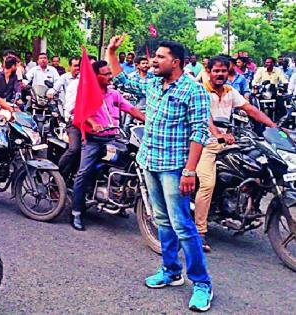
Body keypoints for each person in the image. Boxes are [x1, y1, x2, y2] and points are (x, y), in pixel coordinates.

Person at [108, 35, 213, 312]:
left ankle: (202, 283)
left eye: (161, 57)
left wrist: (190, 170)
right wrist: (111, 52)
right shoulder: (154, 83)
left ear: (175, 62)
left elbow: (200, 132)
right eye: (154, 56)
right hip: (150, 161)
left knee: (182, 225)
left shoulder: (193, 90)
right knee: (162, 220)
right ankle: (171, 271)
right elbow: (123, 80)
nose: (154, 60)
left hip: (175, 167)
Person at [194, 56, 276, 252]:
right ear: (209, 71)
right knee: (207, 184)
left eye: (223, 71)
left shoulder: (231, 92)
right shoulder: (201, 91)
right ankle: (199, 233)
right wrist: (218, 134)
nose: (220, 74)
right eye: (216, 71)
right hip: (204, 143)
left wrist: (276, 128)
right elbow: (205, 118)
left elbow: (251, 110)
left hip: (226, 141)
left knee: (256, 164)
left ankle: (242, 204)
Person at [70, 60, 145, 231]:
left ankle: (117, 200)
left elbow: (131, 109)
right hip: (93, 140)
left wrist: (149, 121)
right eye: (106, 74)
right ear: (96, 76)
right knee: (83, 173)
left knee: (128, 163)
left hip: (113, 138)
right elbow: (80, 112)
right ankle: (76, 212)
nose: (110, 77)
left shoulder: (113, 94)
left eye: (110, 73)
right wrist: (93, 123)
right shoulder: (88, 93)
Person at [58, 56, 96, 180]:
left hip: (92, 125)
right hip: (74, 123)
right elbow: (71, 109)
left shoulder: (98, 86)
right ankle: (56, 176)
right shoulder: (76, 85)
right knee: (74, 149)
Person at [119, 56, 154, 128]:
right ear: (137, 65)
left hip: (149, 106)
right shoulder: (132, 77)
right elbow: (127, 89)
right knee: (127, 124)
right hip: (135, 106)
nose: (145, 65)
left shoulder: (153, 77)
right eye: (143, 63)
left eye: (146, 63)